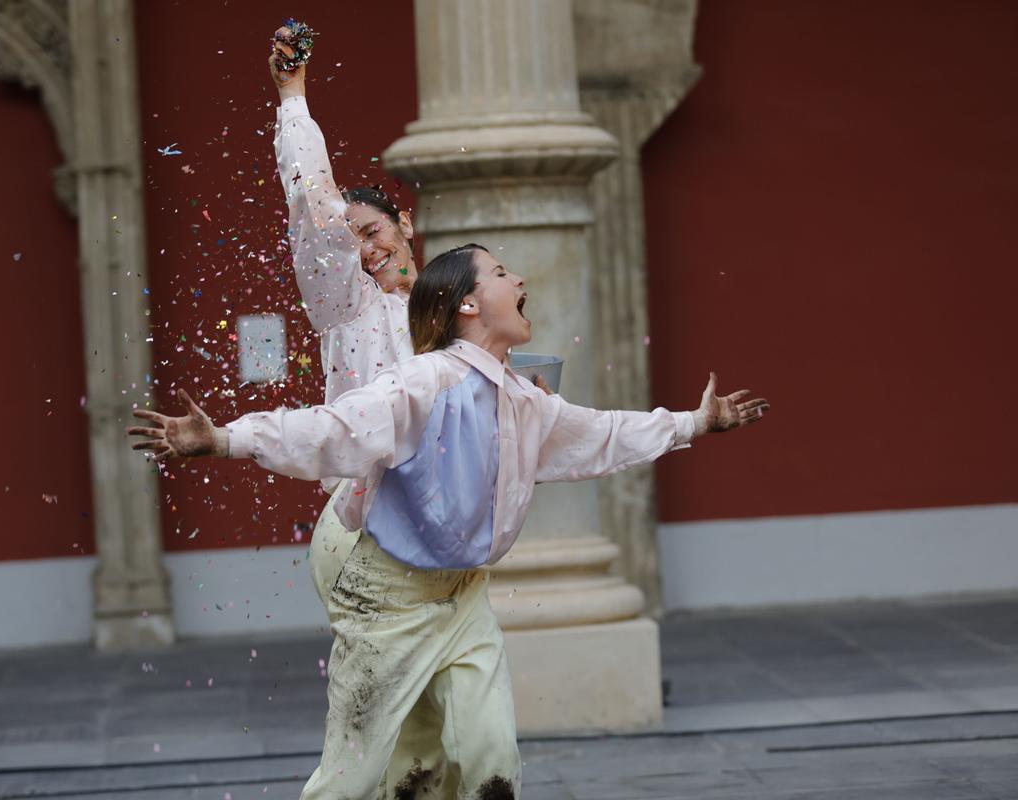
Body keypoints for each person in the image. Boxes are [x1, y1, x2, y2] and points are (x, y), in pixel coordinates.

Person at [128, 243, 769, 798]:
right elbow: (337, 428)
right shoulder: (423, 380)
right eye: (500, 273)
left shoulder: (524, 399)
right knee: (350, 781)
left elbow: (600, 434)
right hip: (386, 599)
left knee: (492, 762)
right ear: (466, 304)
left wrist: (695, 423)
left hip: (462, 599)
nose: (519, 282)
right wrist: (225, 440)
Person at [267, 24, 459, 796]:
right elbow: (314, 204)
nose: (365, 249)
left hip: (438, 533)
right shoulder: (344, 304)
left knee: (438, 726)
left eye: (374, 232)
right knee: (369, 718)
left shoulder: (455, 315)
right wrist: (292, 98)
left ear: (405, 223)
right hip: (360, 530)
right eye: (352, 243)